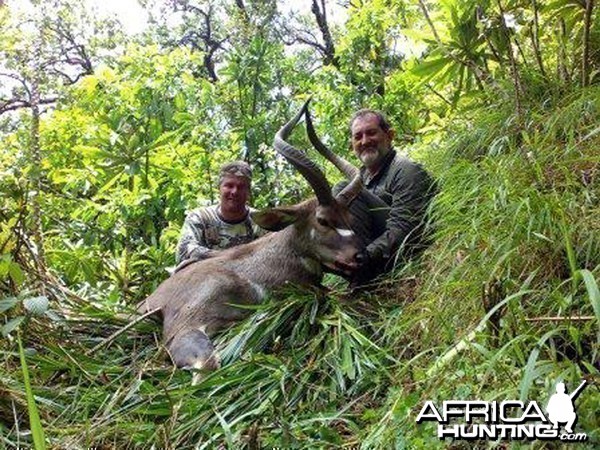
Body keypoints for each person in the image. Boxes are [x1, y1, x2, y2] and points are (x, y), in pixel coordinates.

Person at [340, 109, 437, 285]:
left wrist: (363, 258)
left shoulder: (406, 170)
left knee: (344, 190)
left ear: (389, 135)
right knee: (341, 191)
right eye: (358, 136)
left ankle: (363, 280)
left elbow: (405, 228)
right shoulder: (361, 178)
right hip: (373, 254)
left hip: (407, 252)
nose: (365, 141)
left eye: (371, 133)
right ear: (352, 144)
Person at [176, 161, 266, 267]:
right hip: (204, 278)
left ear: (248, 192)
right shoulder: (200, 217)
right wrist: (229, 257)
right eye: (229, 185)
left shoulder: (260, 221)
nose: (235, 192)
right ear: (219, 188)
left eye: (241, 187)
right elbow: (185, 250)